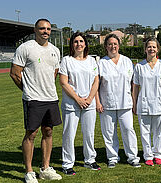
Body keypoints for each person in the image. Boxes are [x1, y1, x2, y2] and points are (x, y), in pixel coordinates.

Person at [10, 19, 62, 183]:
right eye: (42, 28)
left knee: (48, 132)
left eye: (48, 29)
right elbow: (15, 73)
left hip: (51, 98)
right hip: (33, 99)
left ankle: (45, 168)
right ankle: (29, 172)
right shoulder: (25, 48)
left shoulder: (55, 50)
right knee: (31, 134)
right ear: (35, 30)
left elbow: (54, 73)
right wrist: (28, 90)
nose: (45, 31)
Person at [95, 34, 140, 168]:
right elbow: (96, 84)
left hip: (125, 102)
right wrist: (97, 102)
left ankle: (132, 157)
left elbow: (134, 83)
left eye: (115, 44)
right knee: (109, 132)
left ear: (119, 46)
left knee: (128, 129)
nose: (113, 46)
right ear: (106, 46)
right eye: (110, 44)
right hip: (106, 103)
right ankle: (112, 157)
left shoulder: (127, 61)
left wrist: (134, 100)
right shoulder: (101, 63)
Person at [59, 32, 101, 175]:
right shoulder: (66, 60)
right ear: (72, 44)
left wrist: (89, 99)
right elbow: (63, 82)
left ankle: (90, 160)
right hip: (72, 104)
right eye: (76, 41)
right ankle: (67, 163)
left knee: (89, 134)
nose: (79, 44)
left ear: (85, 44)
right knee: (69, 135)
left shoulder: (91, 60)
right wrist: (77, 99)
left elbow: (96, 81)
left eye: (81, 41)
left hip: (89, 104)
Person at [132, 37, 161, 166]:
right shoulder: (139, 67)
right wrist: (134, 103)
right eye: (149, 47)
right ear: (145, 49)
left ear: (158, 49)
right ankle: (148, 156)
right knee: (145, 131)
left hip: (159, 102)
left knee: (159, 131)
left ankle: (158, 155)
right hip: (144, 102)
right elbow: (135, 86)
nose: (151, 49)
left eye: (154, 47)